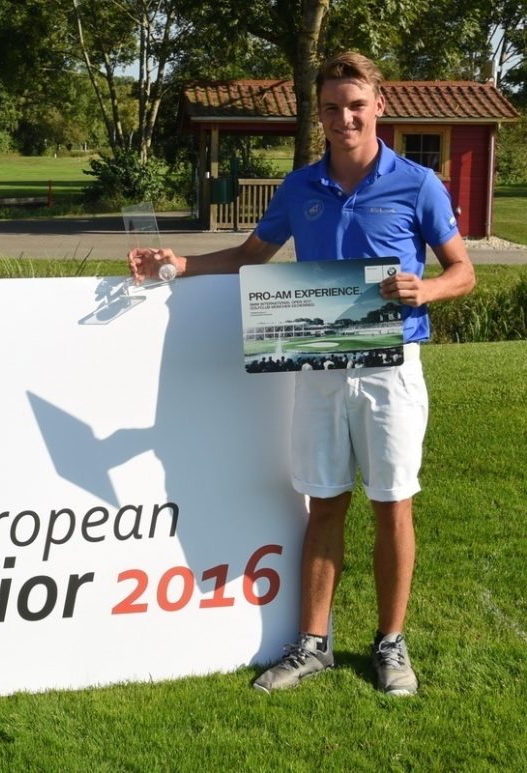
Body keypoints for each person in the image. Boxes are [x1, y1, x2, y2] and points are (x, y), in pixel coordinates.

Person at [129, 52, 475, 696]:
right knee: (324, 503)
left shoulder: (418, 183)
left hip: (390, 368)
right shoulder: (299, 188)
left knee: (392, 504)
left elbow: (463, 271)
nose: (343, 118)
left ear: (379, 107)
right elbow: (247, 256)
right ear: (317, 114)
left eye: (355, 106)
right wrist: (176, 261)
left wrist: (424, 290)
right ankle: (313, 642)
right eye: (330, 108)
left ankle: (390, 644)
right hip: (318, 366)